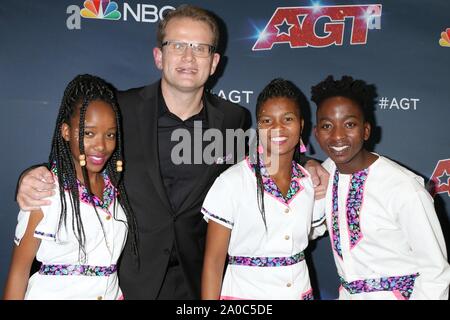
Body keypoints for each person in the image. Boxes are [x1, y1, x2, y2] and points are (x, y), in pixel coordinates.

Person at [15, 5, 328, 299]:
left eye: (200, 48)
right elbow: (86, 152)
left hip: (197, 277)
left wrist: (308, 161)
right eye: (177, 45)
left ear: (214, 62)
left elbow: (262, 156)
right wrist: (31, 176)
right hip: (127, 278)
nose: (188, 57)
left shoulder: (233, 118)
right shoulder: (121, 108)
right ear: (158, 56)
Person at [311, 75, 450, 300]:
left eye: (349, 124)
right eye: (327, 126)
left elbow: (436, 271)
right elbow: (305, 228)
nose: (337, 136)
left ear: (366, 131)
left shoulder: (403, 187)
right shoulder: (326, 173)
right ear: (316, 133)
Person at [3, 74, 138, 300]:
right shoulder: (44, 190)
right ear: (66, 132)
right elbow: (19, 272)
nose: (101, 145)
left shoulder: (115, 189)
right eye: (88, 133)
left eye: (110, 134)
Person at [201, 78, 326, 300]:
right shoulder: (232, 182)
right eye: (267, 121)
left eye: (287, 119)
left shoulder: (310, 182)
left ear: (302, 124)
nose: (278, 128)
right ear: (258, 127)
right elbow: (213, 262)